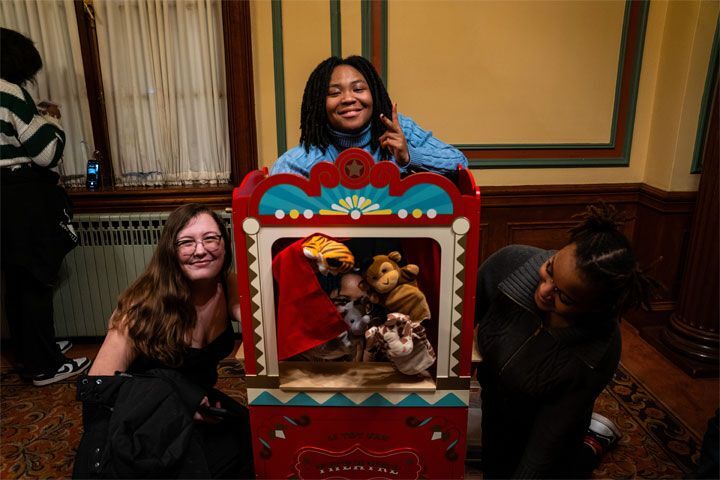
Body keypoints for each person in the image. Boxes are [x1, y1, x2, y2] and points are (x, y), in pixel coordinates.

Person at [474, 204, 659, 478]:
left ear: (597, 307)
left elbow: (545, 444)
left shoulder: (599, 352)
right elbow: (460, 321)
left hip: (549, 425)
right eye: (550, 269)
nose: (545, 290)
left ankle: (595, 442)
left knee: (557, 469)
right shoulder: (508, 263)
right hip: (495, 401)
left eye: (565, 297)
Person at [74, 204, 254, 478]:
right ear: (171, 251)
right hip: (140, 410)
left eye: (210, 238)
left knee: (249, 435)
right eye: (186, 242)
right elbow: (99, 387)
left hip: (195, 400)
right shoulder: (142, 305)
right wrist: (178, 404)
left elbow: (262, 318)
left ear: (225, 244)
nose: (200, 250)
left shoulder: (226, 284)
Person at [0, 28, 87, 386]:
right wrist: (51, 121)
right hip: (20, 196)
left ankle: (31, 348)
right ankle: (45, 365)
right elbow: (46, 153)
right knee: (36, 277)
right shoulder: (10, 91)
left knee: (15, 279)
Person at [270, 55, 468, 177]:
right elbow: (277, 183)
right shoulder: (312, 153)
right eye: (334, 93)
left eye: (358, 89)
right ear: (318, 104)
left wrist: (408, 156)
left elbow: (458, 161)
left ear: (374, 93)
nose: (348, 98)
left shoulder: (398, 130)